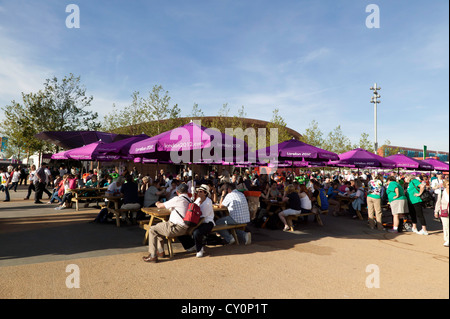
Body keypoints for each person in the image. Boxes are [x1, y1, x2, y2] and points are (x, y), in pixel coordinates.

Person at [142, 183, 191, 263]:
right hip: (185, 227)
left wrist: (157, 203)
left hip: (175, 227)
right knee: (158, 227)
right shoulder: (189, 199)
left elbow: (160, 206)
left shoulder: (177, 199)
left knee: (152, 229)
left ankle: (153, 255)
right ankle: (160, 252)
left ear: (178, 192)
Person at [181, 184, 216, 258]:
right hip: (197, 221)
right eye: (198, 191)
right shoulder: (198, 200)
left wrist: (192, 227)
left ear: (205, 193)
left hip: (207, 222)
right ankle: (190, 246)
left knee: (196, 232)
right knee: (181, 228)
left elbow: (203, 217)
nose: (199, 193)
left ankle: (199, 249)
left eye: (201, 191)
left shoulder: (208, 202)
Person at [434, 180, 449, 247]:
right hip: (444, 210)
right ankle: (447, 240)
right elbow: (438, 202)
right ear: (445, 185)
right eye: (448, 184)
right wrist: (436, 211)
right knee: (446, 226)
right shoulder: (442, 192)